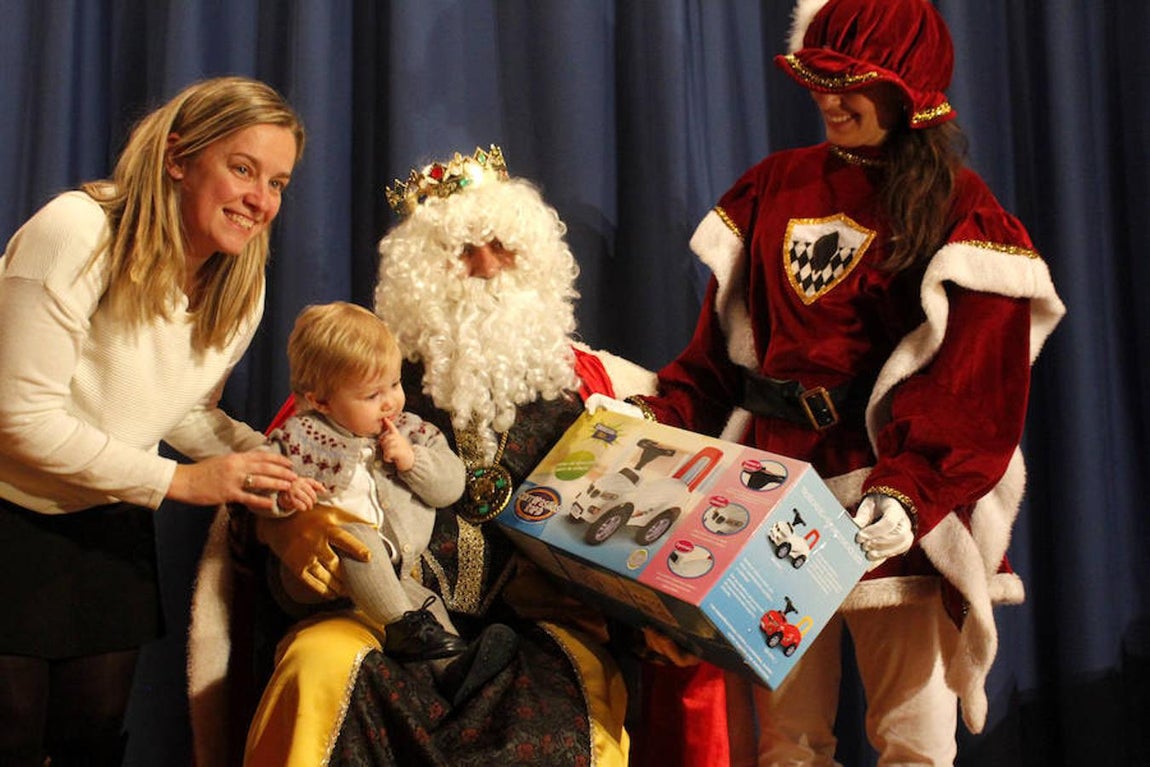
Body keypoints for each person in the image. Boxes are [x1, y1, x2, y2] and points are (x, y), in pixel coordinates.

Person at [187, 146, 729, 766]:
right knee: (317, 668)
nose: (486, 267)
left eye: (503, 248)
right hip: (377, 617)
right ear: (421, 274)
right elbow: (266, 497)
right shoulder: (355, 388)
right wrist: (289, 528)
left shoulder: (592, 390)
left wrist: (651, 617)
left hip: (529, 632)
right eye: (462, 251)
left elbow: (622, 532)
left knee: (570, 699)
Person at [628, 1, 1066, 764]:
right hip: (769, 496)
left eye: (851, 82)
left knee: (912, 738)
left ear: (910, 90)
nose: (829, 100)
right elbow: (718, 356)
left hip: (885, 503)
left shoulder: (960, 209)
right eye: (819, 80)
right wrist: (656, 413)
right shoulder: (774, 185)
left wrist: (908, 490)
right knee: (787, 739)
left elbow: (975, 386)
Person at [0, 76, 305, 766]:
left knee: (93, 736)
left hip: (107, 518)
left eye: (279, 183)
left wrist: (266, 460)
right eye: (243, 168)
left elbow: (184, 410)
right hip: (7, 510)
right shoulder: (76, 232)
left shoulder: (239, 279)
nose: (261, 200)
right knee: (11, 732)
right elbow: (19, 418)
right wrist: (185, 481)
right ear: (177, 158)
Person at [257, 301, 472, 666]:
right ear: (321, 402)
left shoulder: (413, 431)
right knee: (357, 536)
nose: (390, 402)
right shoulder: (299, 437)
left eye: (394, 384)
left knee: (430, 615)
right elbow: (255, 487)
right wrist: (285, 495)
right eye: (372, 395)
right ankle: (402, 627)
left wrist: (412, 460)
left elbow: (451, 487)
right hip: (320, 578)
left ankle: (458, 671)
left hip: (396, 574)